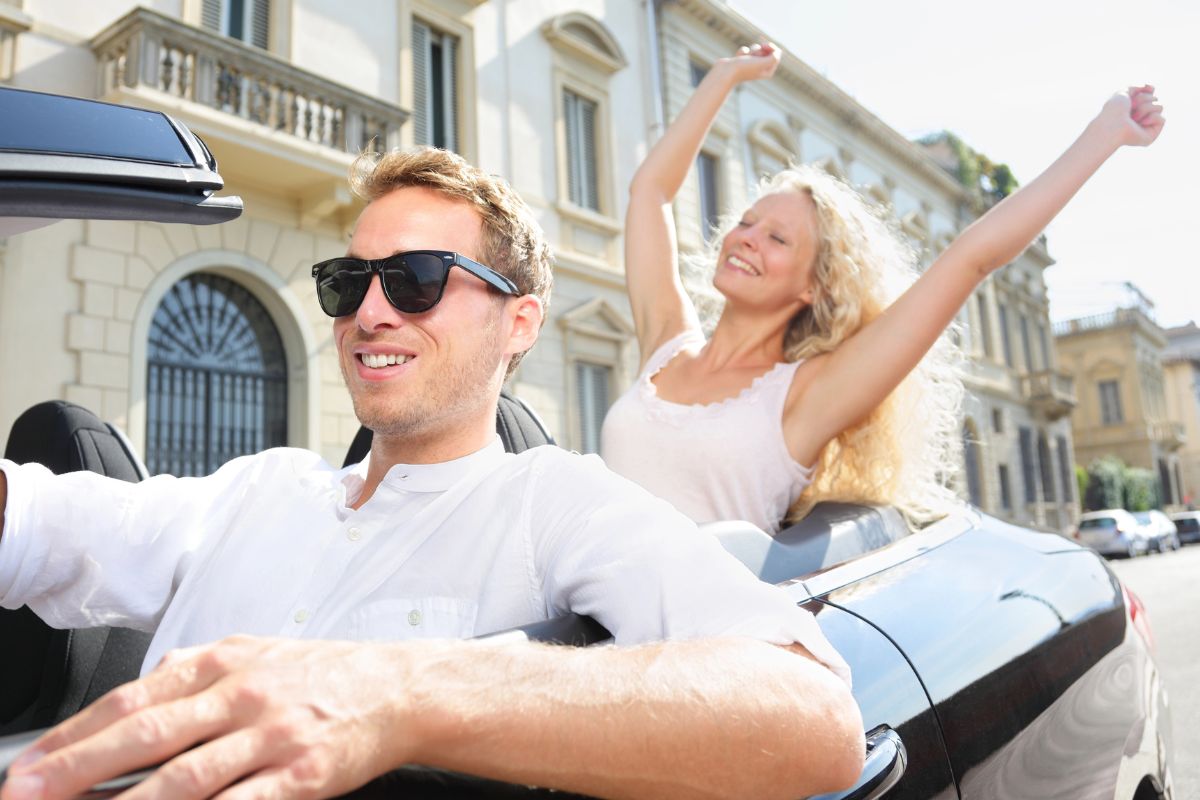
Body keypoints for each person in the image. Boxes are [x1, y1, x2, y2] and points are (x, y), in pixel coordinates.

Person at [0, 148, 863, 800]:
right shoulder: (257, 490)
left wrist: (400, 691)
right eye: (349, 282)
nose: (370, 312)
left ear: (519, 323)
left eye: (415, 281)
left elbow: (815, 716)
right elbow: (37, 520)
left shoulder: (551, 504)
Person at [601, 44, 1166, 535]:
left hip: (689, 639)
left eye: (777, 238)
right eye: (746, 222)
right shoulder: (666, 344)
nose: (746, 239)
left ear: (816, 288)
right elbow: (651, 192)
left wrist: (1106, 133)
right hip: (581, 618)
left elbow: (970, 260)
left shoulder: (808, 394)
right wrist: (723, 77)